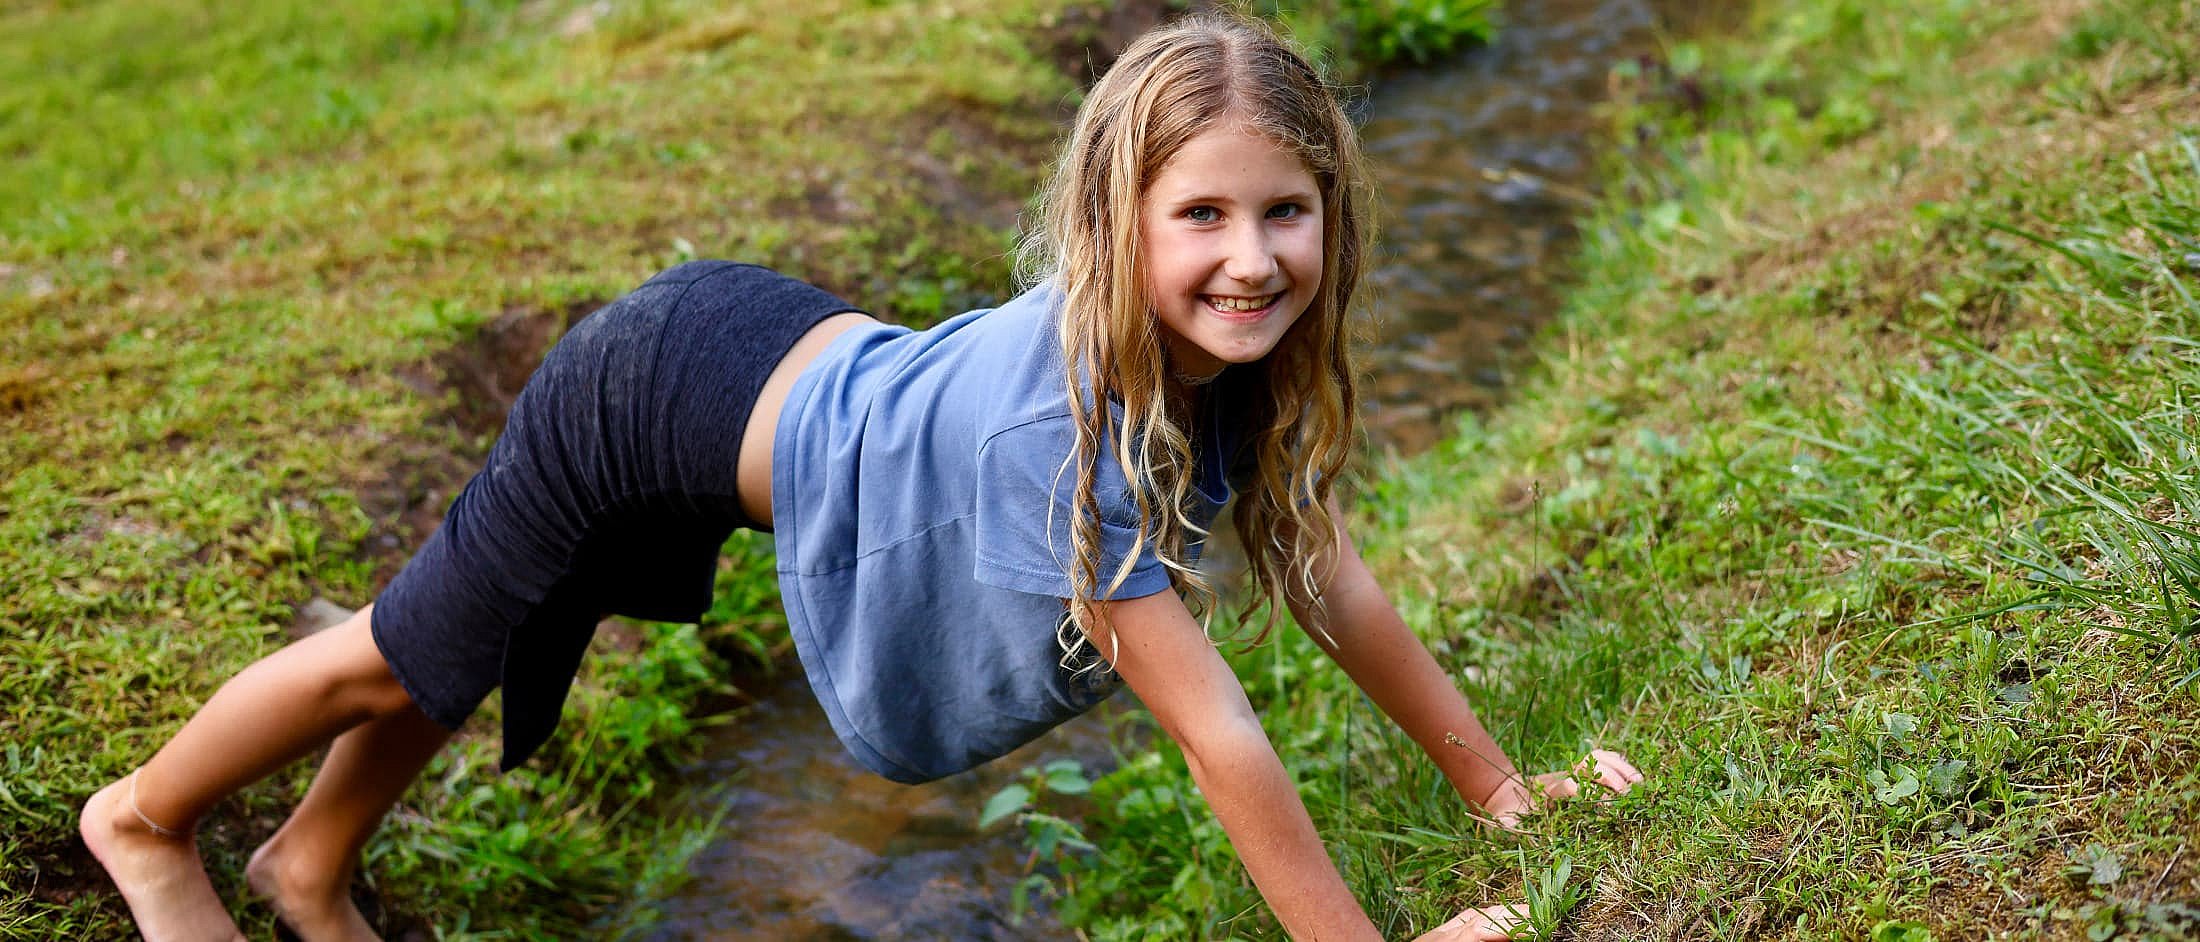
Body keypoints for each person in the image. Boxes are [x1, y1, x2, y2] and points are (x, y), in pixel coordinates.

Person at [79, 12, 1641, 942]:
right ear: (1117, 229)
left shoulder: (1236, 357)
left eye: (1284, 212)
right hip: (652, 391)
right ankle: (145, 818)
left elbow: (1322, 568)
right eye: (1203, 218)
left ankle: (309, 864)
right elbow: (1215, 725)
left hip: (783, 366)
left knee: (468, 637)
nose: (1251, 258)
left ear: (1331, 212)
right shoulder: (1065, 430)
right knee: (401, 650)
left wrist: (1507, 792)